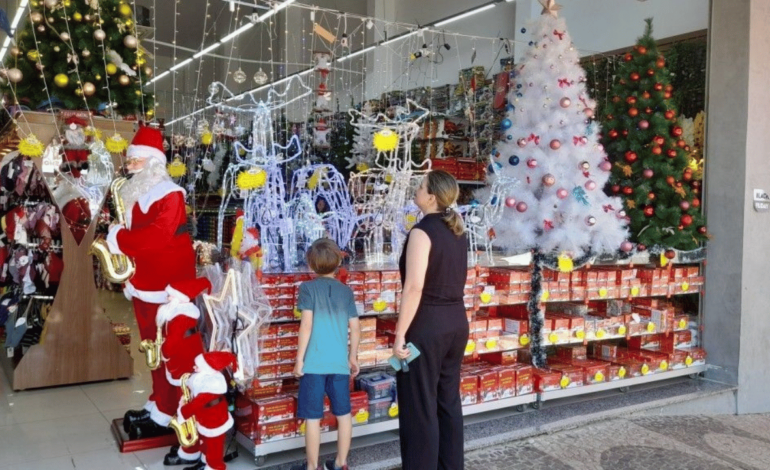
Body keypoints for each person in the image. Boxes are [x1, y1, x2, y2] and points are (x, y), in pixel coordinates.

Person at [105, 125, 197, 443]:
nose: (128, 166)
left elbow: (156, 239)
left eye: (134, 161)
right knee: (150, 348)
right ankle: (159, 401)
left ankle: (169, 411)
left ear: (152, 162)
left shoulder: (170, 195)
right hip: (144, 283)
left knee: (168, 349)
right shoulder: (137, 192)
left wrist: (118, 238)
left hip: (168, 286)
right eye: (129, 161)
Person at [393, 170, 469, 470]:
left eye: (421, 186)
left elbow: (414, 287)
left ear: (432, 196)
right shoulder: (457, 230)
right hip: (456, 322)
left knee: (419, 406)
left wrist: (400, 334)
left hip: (427, 325)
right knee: (447, 401)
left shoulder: (421, 232)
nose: (416, 189)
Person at [292, 238, 361, 470]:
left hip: (313, 363)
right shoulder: (346, 292)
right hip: (339, 363)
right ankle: (341, 462)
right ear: (338, 262)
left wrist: (299, 359)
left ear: (311, 265)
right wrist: (352, 357)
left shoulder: (308, 289)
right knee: (344, 415)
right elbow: (356, 327)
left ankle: (313, 466)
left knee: (313, 417)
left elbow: (307, 326)